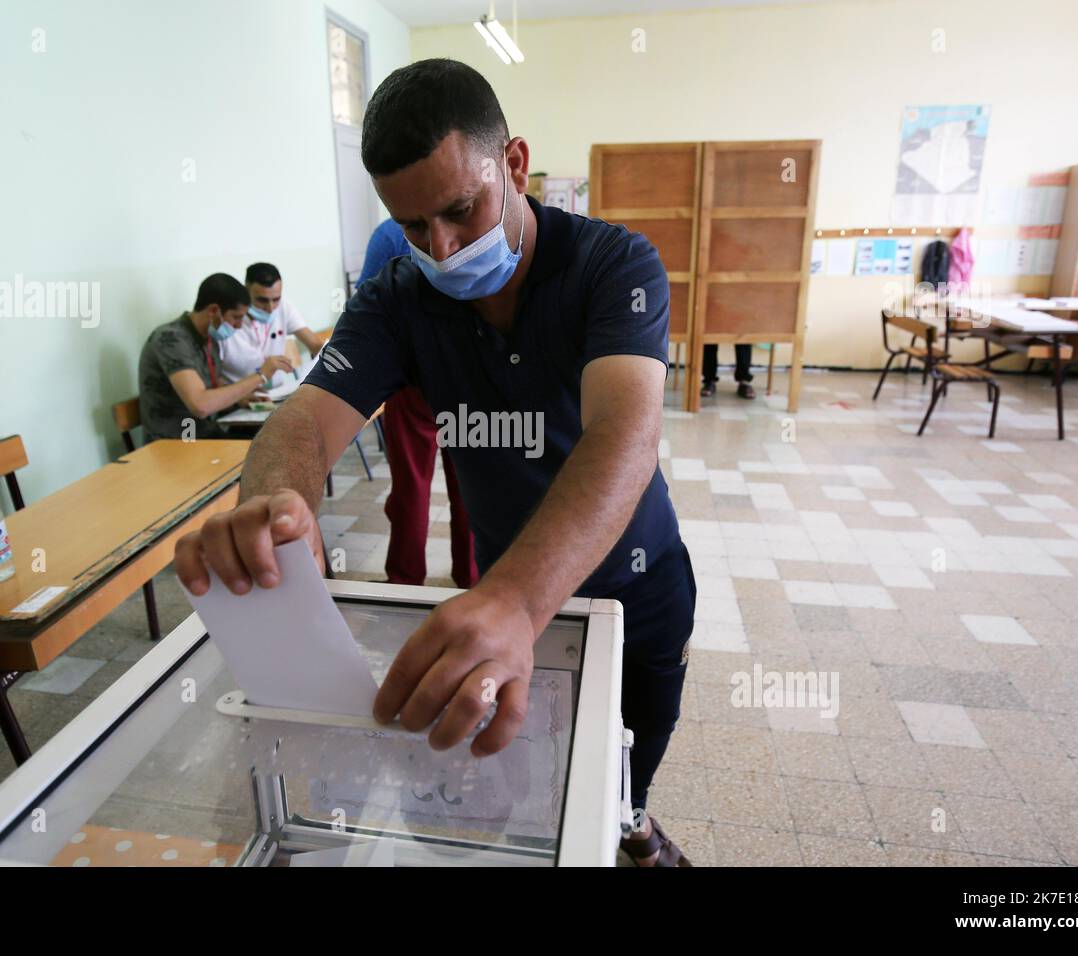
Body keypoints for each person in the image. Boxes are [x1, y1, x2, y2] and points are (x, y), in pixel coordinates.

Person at [175, 59, 696, 866]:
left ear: (514, 164)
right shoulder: (400, 298)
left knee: (624, 768)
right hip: (504, 598)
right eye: (415, 227)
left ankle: (633, 826)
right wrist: (276, 502)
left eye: (461, 210)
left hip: (633, 584)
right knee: (519, 789)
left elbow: (621, 438)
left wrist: (517, 601)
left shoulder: (613, 267)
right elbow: (307, 420)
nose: (443, 248)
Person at [361, 219, 479, 590]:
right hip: (468, 376)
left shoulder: (388, 234)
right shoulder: (475, 222)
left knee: (411, 488)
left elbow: (366, 309)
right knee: (471, 489)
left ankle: (404, 581)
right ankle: (470, 579)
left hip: (411, 377)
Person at [138, 273, 284, 442]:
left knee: (278, 437)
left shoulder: (209, 338)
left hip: (206, 434)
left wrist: (239, 399)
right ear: (214, 311)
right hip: (177, 442)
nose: (238, 326)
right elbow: (201, 405)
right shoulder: (171, 339)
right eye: (236, 317)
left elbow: (215, 387)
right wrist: (261, 376)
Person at [216, 262, 325, 388]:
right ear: (246, 290)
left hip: (276, 393)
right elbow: (213, 379)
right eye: (262, 300)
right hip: (240, 398)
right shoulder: (228, 319)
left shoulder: (284, 307)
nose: (270, 308)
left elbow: (316, 345)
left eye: (276, 299)